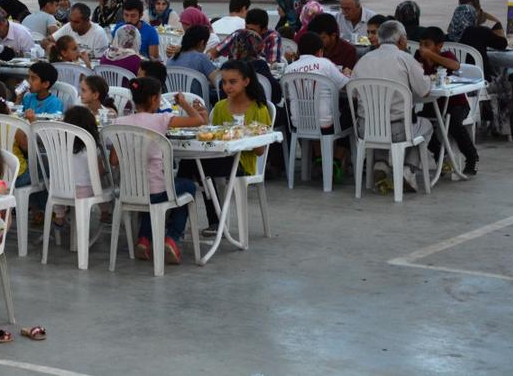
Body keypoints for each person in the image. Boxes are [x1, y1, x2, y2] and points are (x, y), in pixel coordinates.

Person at [114, 77, 205, 263]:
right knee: (187, 187)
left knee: (152, 195)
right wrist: (183, 103)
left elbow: (114, 160)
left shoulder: (119, 122)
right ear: (155, 99)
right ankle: (172, 238)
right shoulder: (162, 119)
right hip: (157, 190)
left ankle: (144, 239)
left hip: (130, 191)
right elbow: (198, 120)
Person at [188, 60, 270, 236]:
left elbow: (260, 151)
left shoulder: (258, 108)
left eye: (233, 82)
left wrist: (250, 133)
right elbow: (213, 139)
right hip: (219, 158)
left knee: (197, 167)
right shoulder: (219, 107)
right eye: (224, 82)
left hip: (243, 164)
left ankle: (212, 220)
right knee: (192, 165)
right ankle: (187, 218)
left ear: (246, 82)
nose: (227, 87)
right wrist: (203, 120)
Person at [353, 21, 434, 192]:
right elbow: (424, 90)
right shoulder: (405, 59)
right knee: (426, 125)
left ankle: (380, 165)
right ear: (402, 40)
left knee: (380, 120)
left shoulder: (363, 60)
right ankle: (408, 169)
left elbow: (353, 93)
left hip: (365, 128)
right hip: (398, 130)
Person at [415, 26, 479, 175]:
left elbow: (455, 66)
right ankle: (441, 155)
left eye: (427, 45)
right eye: (421, 44)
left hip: (456, 103)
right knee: (418, 124)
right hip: (432, 103)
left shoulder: (447, 56)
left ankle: (471, 156)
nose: (422, 48)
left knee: (453, 123)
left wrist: (432, 56)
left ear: (439, 46)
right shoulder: (419, 59)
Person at [449, 4, 512, 135]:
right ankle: (501, 126)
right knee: (505, 82)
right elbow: (502, 44)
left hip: (455, 83)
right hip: (479, 82)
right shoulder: (478, 31)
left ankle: (484, 118)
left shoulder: (448, 35)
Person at [284, 32, 349, 133]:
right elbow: (347, 86)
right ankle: (334, 149)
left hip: (298, 123)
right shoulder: (325, 63)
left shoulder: (289, 69)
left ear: (299, 52)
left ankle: (311, 148)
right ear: (320, 52)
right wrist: (347, 74)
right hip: (325, 123)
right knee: (349, 112)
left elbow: (287, 95)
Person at [211, 8, 281, 64]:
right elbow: (213, 53)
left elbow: (272, 64)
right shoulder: (239, 34)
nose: (248, 32)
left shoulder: (272, 37)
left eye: (252, 30)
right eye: (246, 28)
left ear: (264, 30)